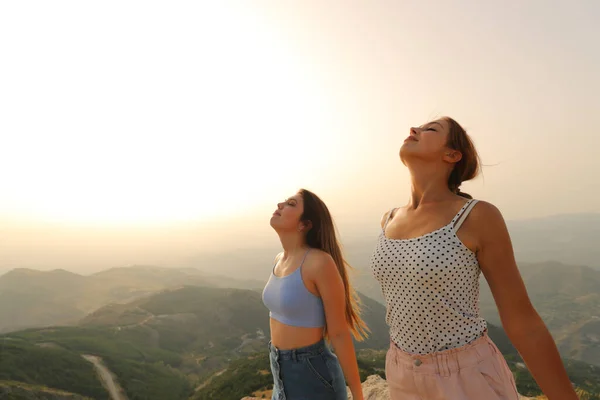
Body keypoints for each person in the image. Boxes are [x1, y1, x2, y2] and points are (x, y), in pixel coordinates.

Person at [370, 117, 578, 399]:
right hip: (401, 373)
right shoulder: (389, 218)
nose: (414, 129)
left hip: (466, 378)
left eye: (430, 129)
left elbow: (522, 321)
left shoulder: (476, 216)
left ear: (452, 155)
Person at [262, 188, 367, 400]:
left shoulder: (319, 262)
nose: (280, 205)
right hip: (279, 369)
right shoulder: (279, 258)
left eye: (291, 204)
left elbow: (339, 333)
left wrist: (357, 395)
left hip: (311, 373)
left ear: (305, 224)